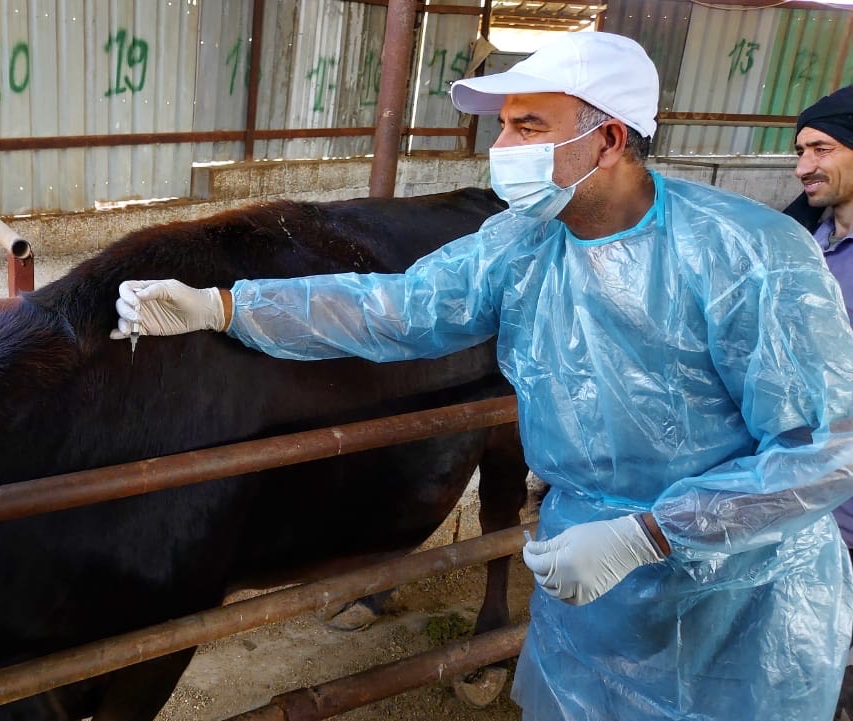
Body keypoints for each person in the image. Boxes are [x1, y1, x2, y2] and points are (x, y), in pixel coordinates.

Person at [112, 31, 853, 720]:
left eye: (527, 127)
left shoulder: (748, 254)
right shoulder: (522, 241)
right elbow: (399, 308)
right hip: (586, 582)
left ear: (609, 140)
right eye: (502, 126)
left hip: (740, 605)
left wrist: (651, 534)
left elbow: (826, 447)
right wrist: (225, 306)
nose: (501, 148)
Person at [786, 84, 853, 721]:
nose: (803, 166)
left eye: (821, 149)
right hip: (795, 502)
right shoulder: (800, 245)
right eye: (800, 151)